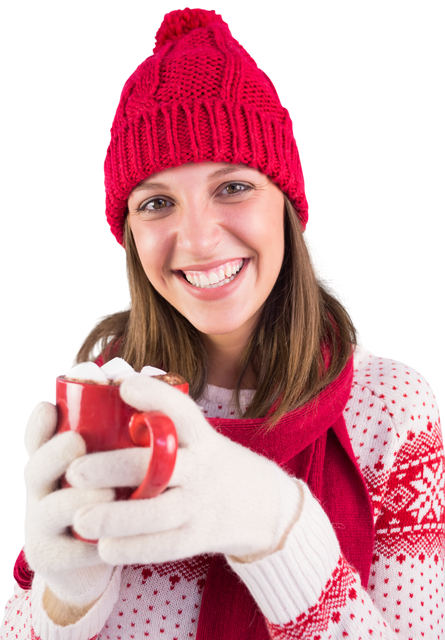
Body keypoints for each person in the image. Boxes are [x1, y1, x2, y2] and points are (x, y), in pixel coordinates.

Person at [2, 5, 443, 639]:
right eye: (157, 203)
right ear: (130, 235)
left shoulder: (392, 411)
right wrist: (64, 601)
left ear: (285, 207)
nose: (200, 239)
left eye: (232, 186)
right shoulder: (102, 403)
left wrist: (274, 525)